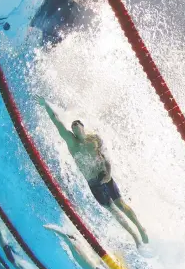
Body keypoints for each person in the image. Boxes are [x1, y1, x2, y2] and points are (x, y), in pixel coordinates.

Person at [37, 96, 149, 248]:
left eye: (77, 124)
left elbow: (106, 157)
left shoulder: (95, 139)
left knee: (120, 204)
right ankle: (135, 236)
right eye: (73, 126)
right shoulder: (72, 142)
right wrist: (46, 106)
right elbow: (56, 121)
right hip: (93, 183)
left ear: (83, 127)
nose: (75, 126)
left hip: (104, 176)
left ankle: (140, 227)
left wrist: (109, 173)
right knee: (114, 212)